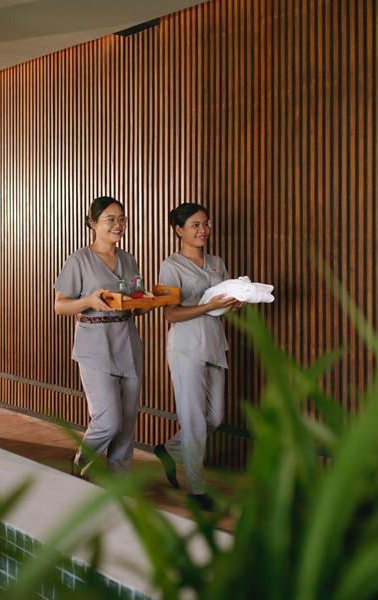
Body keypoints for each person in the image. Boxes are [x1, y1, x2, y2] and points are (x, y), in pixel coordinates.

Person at [154, 202, 243, 510]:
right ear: (179, 230)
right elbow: (170, 314)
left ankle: (168, 450)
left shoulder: (217, 262)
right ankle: (197, 489)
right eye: (195, 225)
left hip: (216, 344)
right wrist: (206, 307)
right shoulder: (171, 266)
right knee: (193, 420)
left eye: (205, 223)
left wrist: (236, 303)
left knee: (214, 418)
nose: (203, 229)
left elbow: (225, 302)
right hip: (185, 347)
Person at [54, 196, 150, 477]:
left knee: (127, 422)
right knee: (108, 420)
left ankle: (119, 485)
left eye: (122, 219)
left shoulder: (129, 260)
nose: (118, 225)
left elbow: (134, 298)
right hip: (94, 346)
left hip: (128, 343)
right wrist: (89, 301)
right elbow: (60, 306)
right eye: (111, 219)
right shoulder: (78, 260)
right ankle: (79, 468)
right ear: (93, 223)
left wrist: (144, 303)